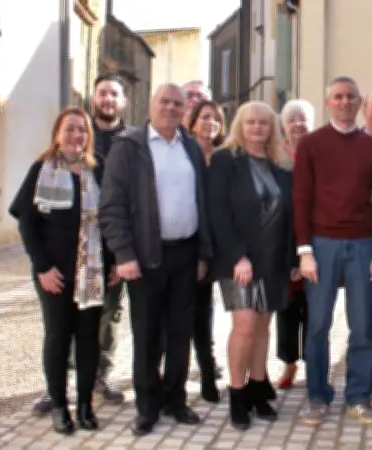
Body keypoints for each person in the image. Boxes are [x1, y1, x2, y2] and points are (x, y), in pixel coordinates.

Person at [100, 83, 212, 436]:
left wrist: (203, 253)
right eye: (165, 101)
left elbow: (202, 203)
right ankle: (147, 406)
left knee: (180, 332)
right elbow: (112, 207)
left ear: (185, 111)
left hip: (186, 254)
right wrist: (123, 253)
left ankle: (175, 400)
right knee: (147, 334)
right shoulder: (128, 147)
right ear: (151, 105)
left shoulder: (190, 147)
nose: (171, 108)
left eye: (178, 103)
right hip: (145, 256)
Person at [293, 76, 372, 427]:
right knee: (318, 324)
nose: (345, 101)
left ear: (360, 102)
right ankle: (318, 396)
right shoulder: (311, 144)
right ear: (328, 102)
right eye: (338, 96)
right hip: (321, 244)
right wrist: (304, 250)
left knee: (364, 324)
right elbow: (301, 198)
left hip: (364, 243)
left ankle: (359, 395)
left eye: (351, 96)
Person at [10, 107, 116, 434]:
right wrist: (42, 267)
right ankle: (59, 405)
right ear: (57, 133)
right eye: (69, 128)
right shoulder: (42, 169)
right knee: (57, 337)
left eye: (82, 130)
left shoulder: (97, 170)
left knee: (88, 338)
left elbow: (110, 220)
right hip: (53, 274)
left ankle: (84, 405)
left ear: (89, 136)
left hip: (92, 271)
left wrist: (112, 263)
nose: (76, 135)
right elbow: (27, 224)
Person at [208, 101, 295, 429]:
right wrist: (237, 256)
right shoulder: (225, 160)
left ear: (272, 128)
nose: (257, 127)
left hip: (273, 258)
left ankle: (258, 387)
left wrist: (292, 258)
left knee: (262, 326)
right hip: (239, 260)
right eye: (250, 122)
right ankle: (237, 392)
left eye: (264, 122)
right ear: (239, 126)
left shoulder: (280, 164)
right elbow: (218, 212)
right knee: (244, 325)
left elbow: (289, 216)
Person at [185, 100, 227, 403]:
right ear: (193, 122)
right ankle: (193, 372)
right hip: (190, 242)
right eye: (204, 117)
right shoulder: (184, 152)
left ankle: (208, 370)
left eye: (215, 118)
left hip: (220, 245)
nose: (210, 122)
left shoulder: (226, 157)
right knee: (187, 310)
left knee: (205, 311)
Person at [275, 99, 315, 389]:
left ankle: (314, 364)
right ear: (284, 125)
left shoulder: (320, 153)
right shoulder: (275, 157)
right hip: (282, 243)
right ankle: (289, 364)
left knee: (315, 310)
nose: (298, 124)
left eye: (303, 119)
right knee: (286, 310)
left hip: (315, 241)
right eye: (292, 120)